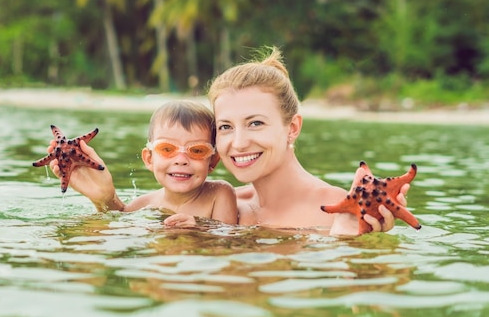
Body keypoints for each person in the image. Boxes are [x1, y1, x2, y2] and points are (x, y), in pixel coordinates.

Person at [48, 47, 408, 236]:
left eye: (255, 123)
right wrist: (106, 200)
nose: (237, 143)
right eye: (225, 127)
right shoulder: (222, 200)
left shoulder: (338, 208)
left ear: (292, 128)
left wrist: (348, 240)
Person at [46, 100, 238, 228]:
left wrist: (200, 227)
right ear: (149, 159)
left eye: (197, 150)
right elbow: (116, 222)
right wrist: (104, 197)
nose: (181, 160)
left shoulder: (219, 194)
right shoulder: (145, 204)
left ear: (212, 161)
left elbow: (229, 240)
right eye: (167, 149)